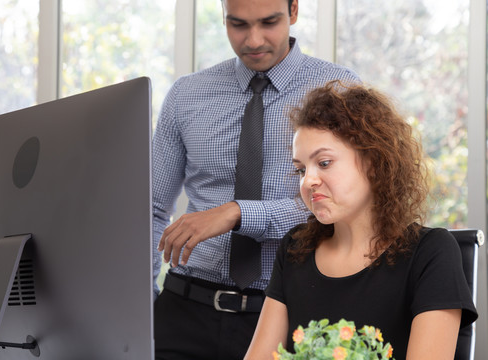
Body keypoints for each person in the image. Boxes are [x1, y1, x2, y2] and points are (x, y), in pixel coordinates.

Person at [152, 0, 359, 358]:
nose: (253, 39)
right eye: (238, 25)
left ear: (293, 11)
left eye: (269, 22)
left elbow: (345, 202)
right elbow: (151, 209)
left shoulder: (339, 91)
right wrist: (143, 302)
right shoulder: (186, 96)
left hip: (291, 312)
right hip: (183, 311)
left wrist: (237, 213)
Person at [244, 80, 478, 360]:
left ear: (374, 162)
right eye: (301, 169)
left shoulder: (431, 252)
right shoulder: (295, 249)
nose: (309, 181)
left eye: (324, 163)